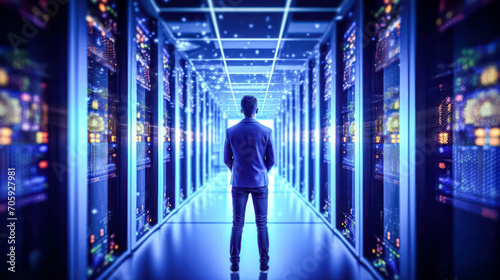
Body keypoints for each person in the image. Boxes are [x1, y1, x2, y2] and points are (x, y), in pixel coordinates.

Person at [224, 95, 275, 274]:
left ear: (241, 109)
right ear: (257, 110)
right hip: (260, 183)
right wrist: (260, 172)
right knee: (262, 223)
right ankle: (264, 263)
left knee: (237, 224)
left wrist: (238, 170)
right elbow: (272, 160)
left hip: (239, 183)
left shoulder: (231, 131)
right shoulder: (266, 131)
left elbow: (226, 159)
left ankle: (235, 264)